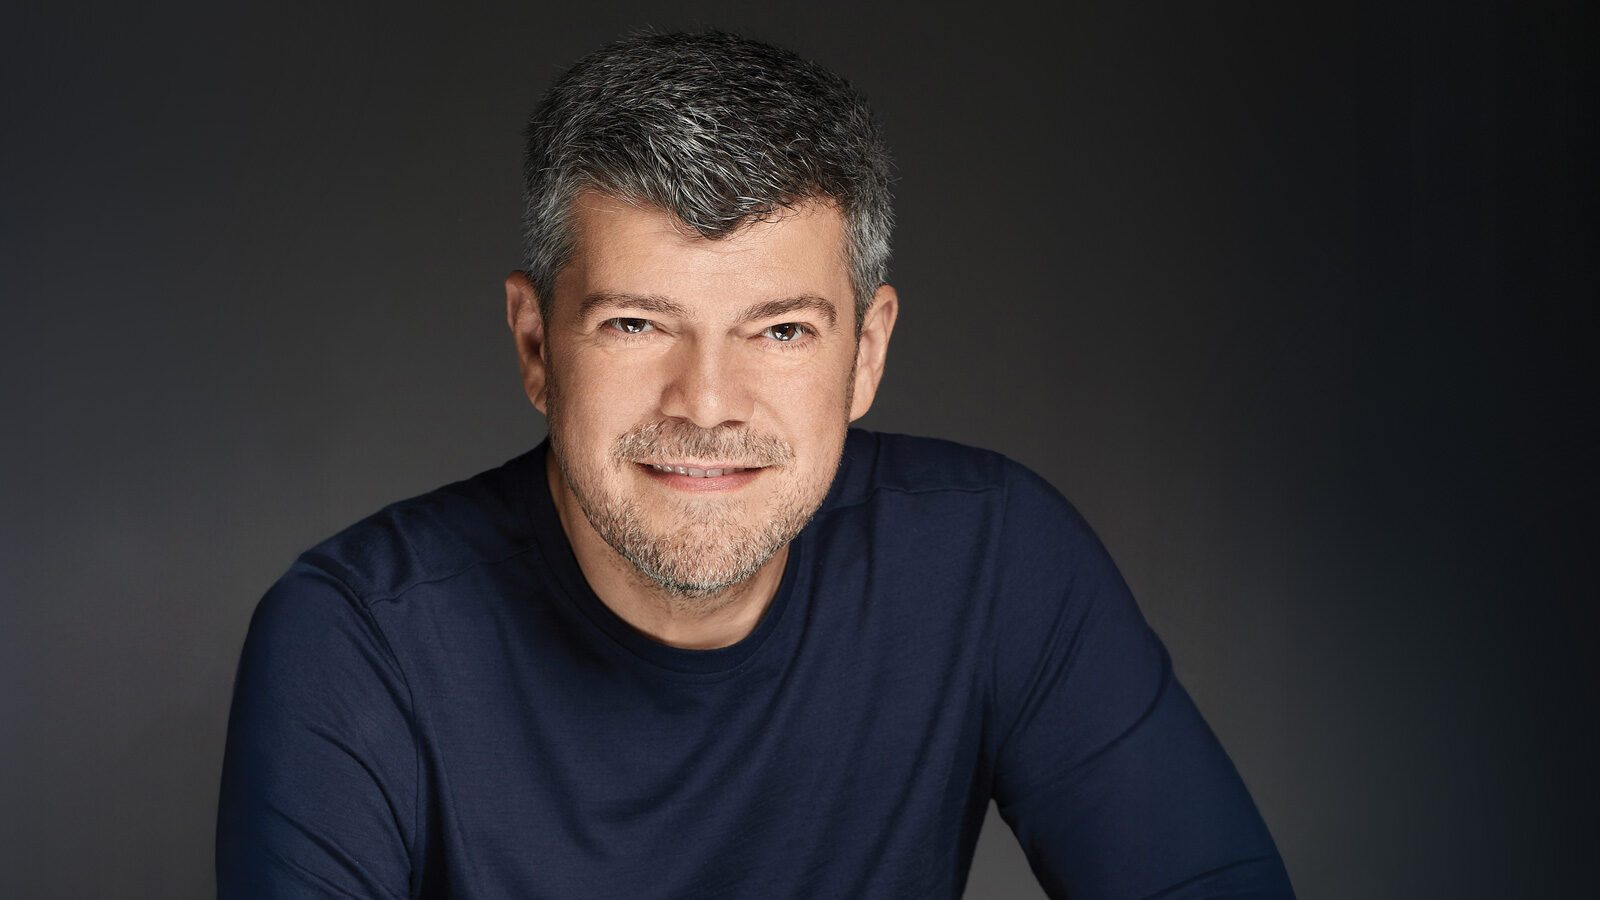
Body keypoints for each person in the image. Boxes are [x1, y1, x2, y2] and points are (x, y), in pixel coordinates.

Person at [216, 30, 1295, 899]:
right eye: (637, 324)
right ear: (536, 345)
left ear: (865, 353)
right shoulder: (359, 637)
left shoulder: (995, 561)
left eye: (780, 331)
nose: (709, 405)